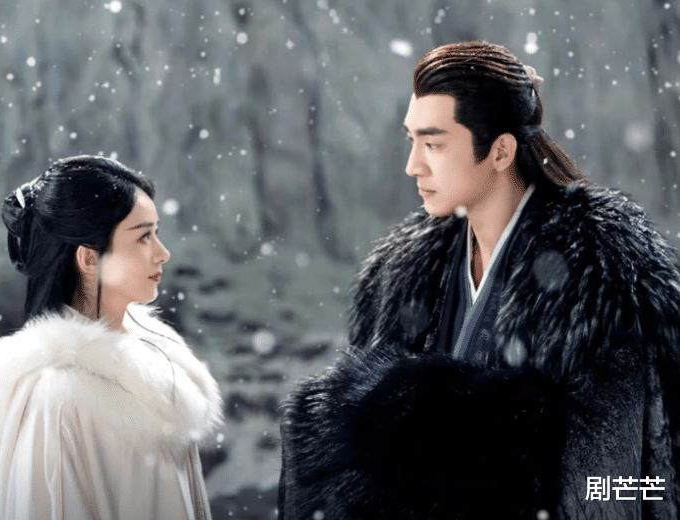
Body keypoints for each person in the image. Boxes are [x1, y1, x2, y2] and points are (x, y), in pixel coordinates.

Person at [278, 41, 680, 519]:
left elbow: (648, 484)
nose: (413, 165)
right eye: (411, 141)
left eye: (433, 144)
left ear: (501, 151)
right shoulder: (398, 277)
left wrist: (535, 486)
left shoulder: (605, 272)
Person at [0, 155, 222, 520]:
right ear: (89, 259)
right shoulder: (59, 399)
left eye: (156, 233)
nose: (162, 253)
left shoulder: (157, 358)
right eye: (144, 236)